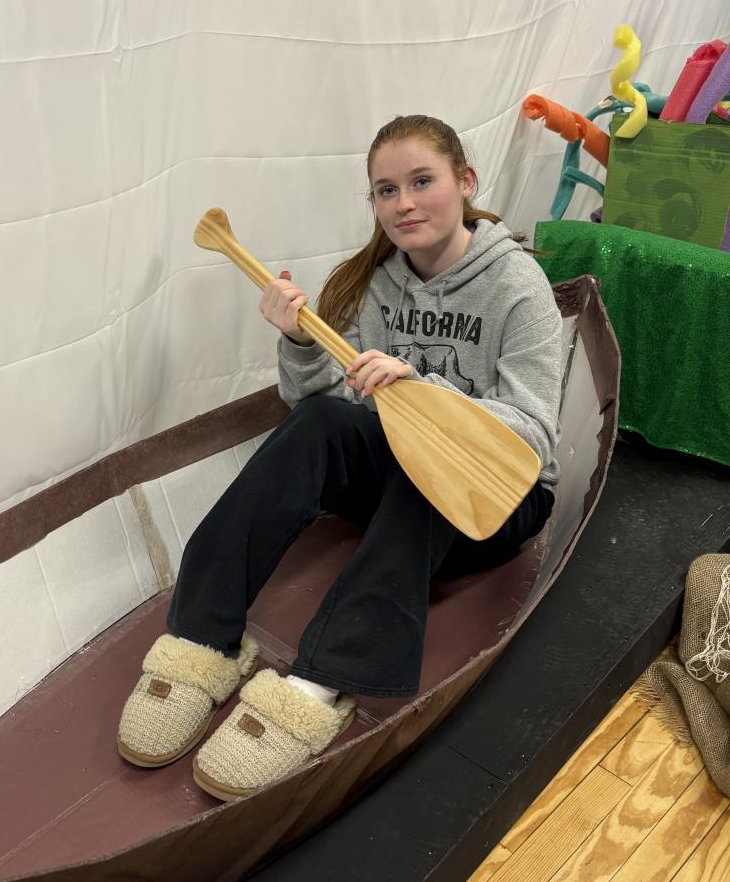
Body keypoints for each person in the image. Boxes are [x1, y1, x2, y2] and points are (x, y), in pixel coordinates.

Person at [117, 114, 563, 801]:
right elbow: (323, 410)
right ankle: (200, 638)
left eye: (422, 181)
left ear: (466, 182)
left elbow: (533, 435)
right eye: (386, 190)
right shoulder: (375, 283)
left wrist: (426, 394)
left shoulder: (518, 286)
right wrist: (301, 344)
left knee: (427, 465)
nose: (403, 203)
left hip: (499, 497)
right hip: (404, 475)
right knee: (326, 421)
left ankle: (319, 685)